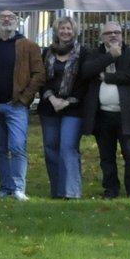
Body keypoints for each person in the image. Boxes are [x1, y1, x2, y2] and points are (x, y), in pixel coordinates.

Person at [82, 21, 130, 199]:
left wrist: (107, 77)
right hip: (102, 115)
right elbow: (86, 71)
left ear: (122, 35)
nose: (113, 35)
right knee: (106, 157)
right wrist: (110, 56)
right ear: (101, 37)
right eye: (109, 32)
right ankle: (110, 190)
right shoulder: (93, 54)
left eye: (117, 32)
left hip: (127, 115)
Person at [0, 10, 46, 200]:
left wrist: (24, 98)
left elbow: (39, 74)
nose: (7, 20)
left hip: (16, 106)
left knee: (17, 147)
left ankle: (19, 188)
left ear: (17, 22)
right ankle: (5, 188)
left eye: (10, 17)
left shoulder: (28, 46)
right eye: (3, 17)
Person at [37, 17, 91, 200]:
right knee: (51, 148)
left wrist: (67, 101)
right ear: (56, 31)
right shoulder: (47, 52)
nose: (65, 32)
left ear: (74, 31)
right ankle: (57, 191)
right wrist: (52, 98)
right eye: (62, 28)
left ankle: (72, 191)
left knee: (68, 147)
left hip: (73, 108)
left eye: (69, 29)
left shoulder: (83, 52)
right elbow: (42, 79)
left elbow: (84, 81)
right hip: (49, 106)